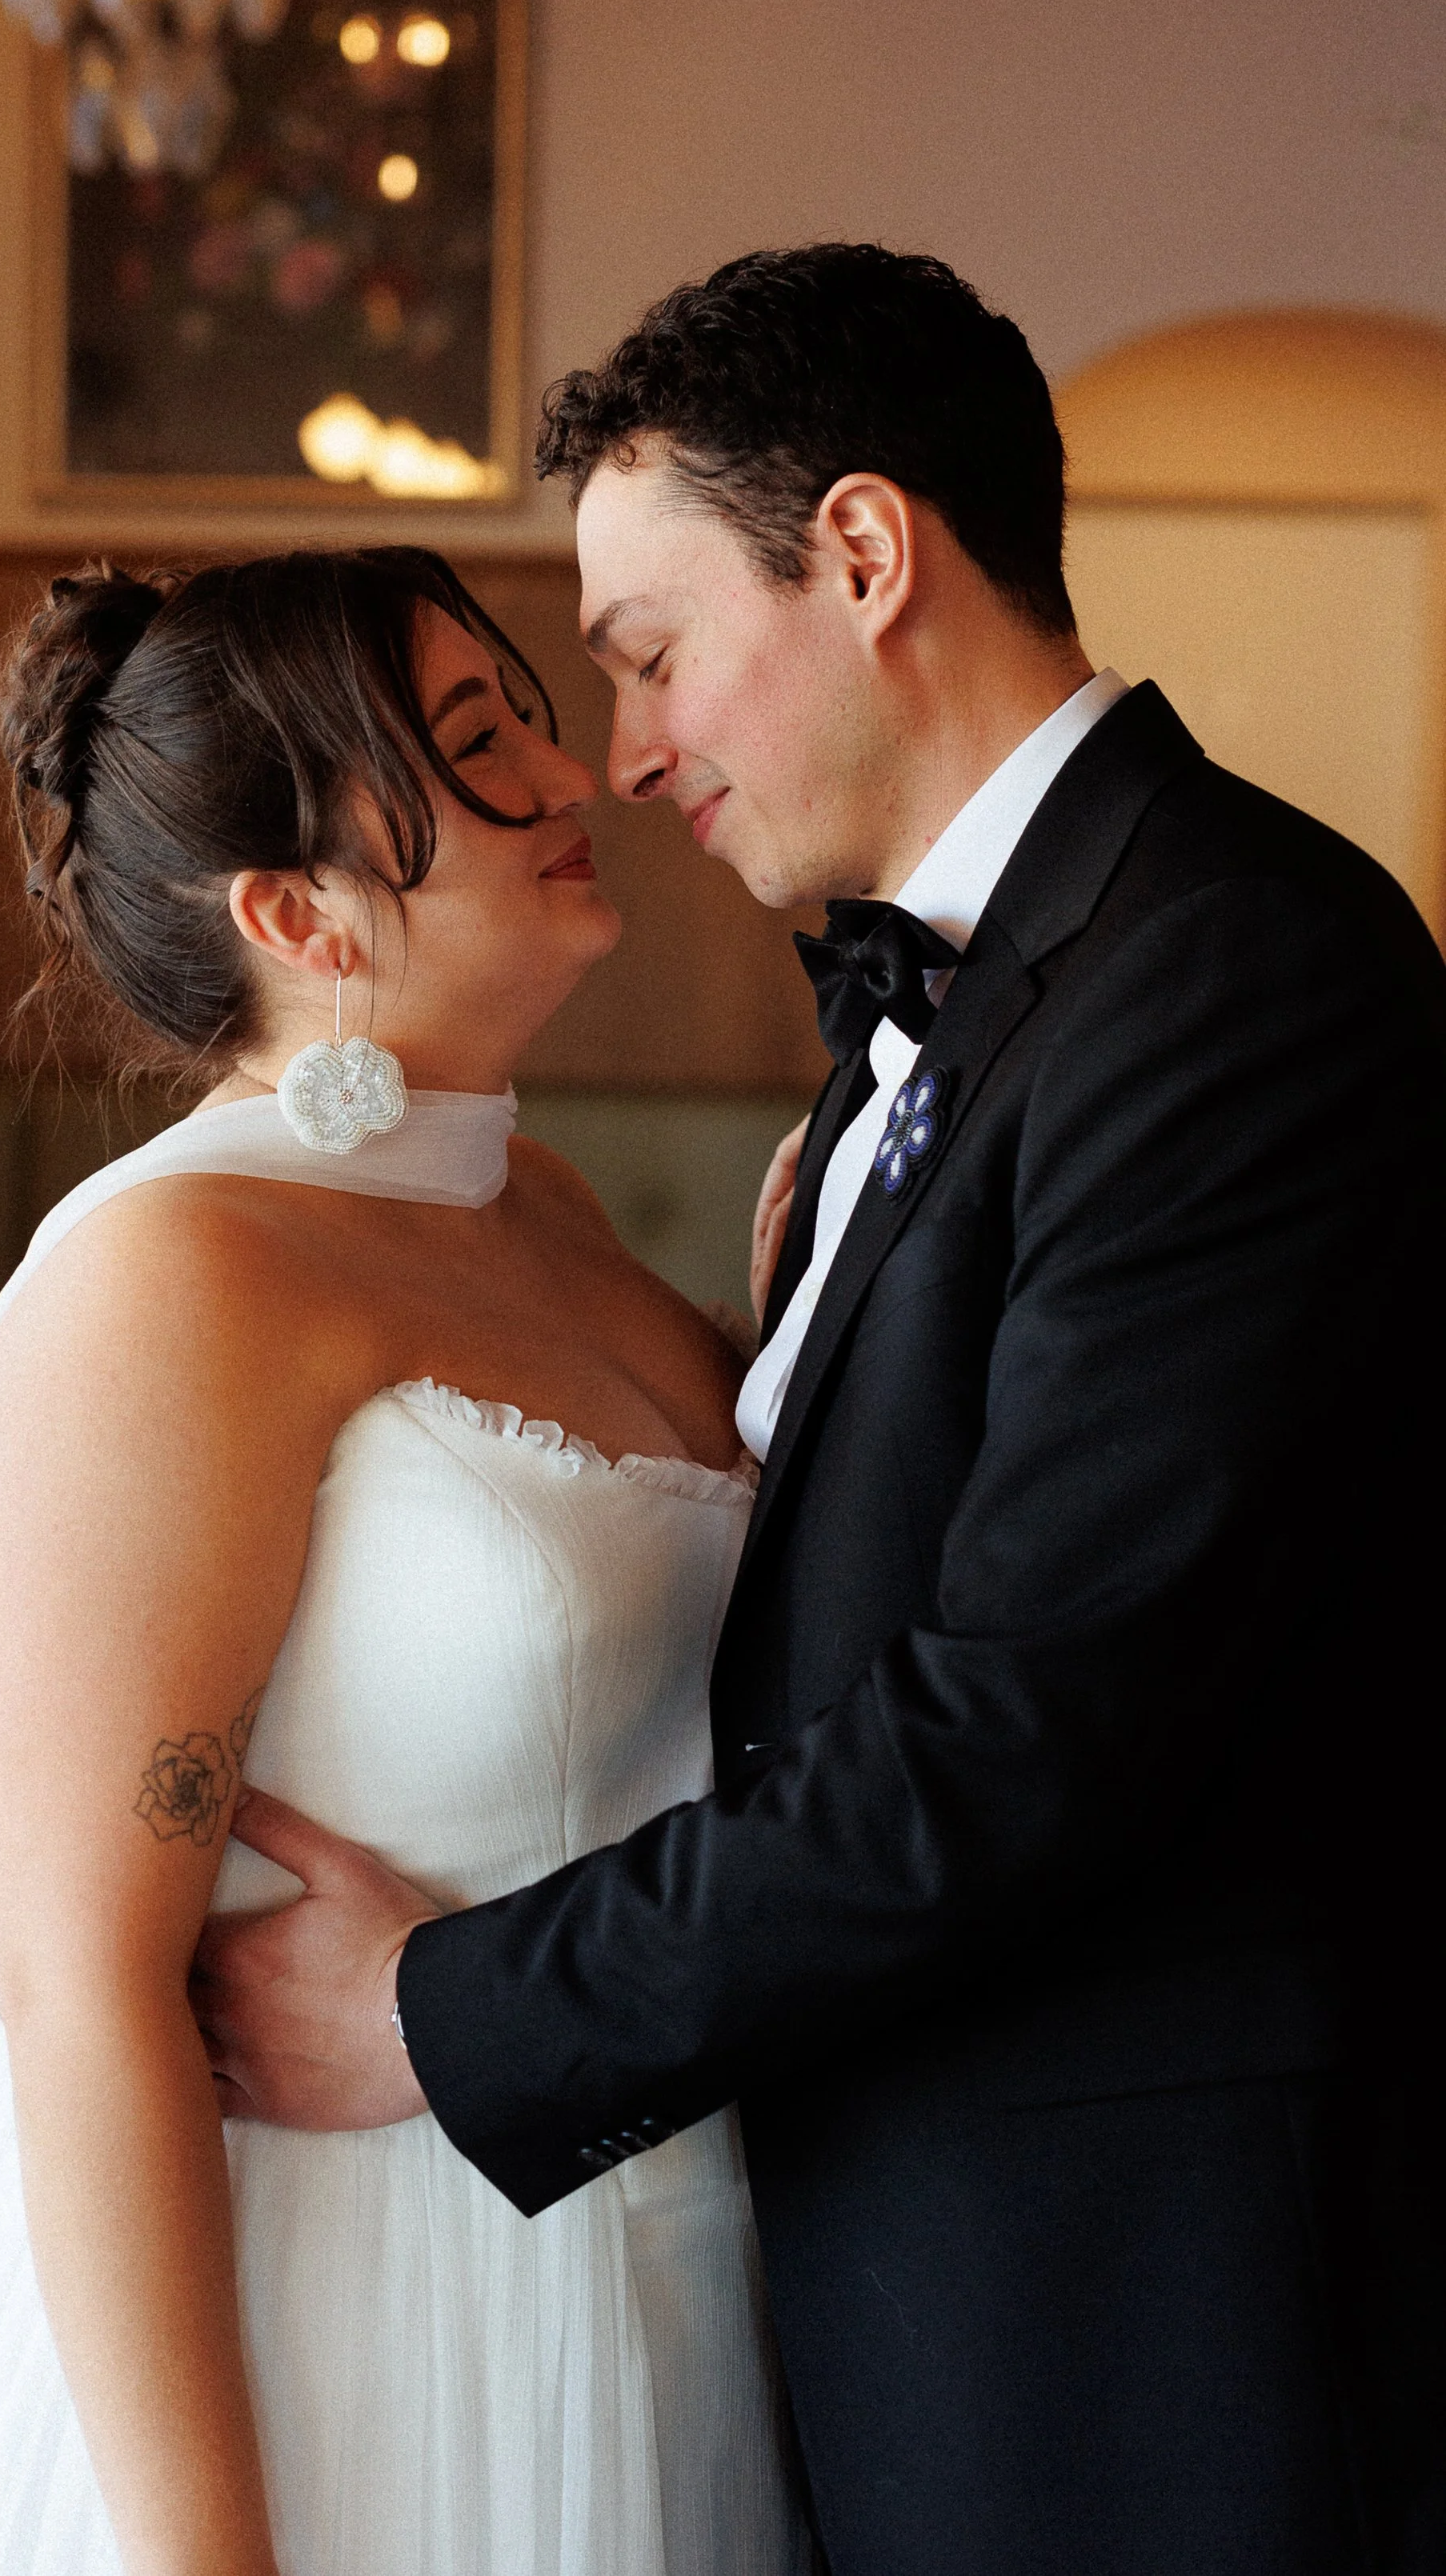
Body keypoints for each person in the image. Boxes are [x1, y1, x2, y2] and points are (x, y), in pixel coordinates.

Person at [193, 246, 1446, 2576]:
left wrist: (449, 2011)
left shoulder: (1238, 969)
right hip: (905, 2227)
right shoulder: (944, 999)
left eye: (651, 652)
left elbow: (1021, 1724)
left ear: (864, 553)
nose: (632, 749)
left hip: (1141, 2306)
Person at [0, 544, 811, 2576]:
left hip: (616, 2202)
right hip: (324, 2297)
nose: (575, 774)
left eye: (526, 717)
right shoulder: (174, 1275)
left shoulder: (549, 1205)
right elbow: (78, 1989)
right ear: (289, 909)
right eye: (479, 743)